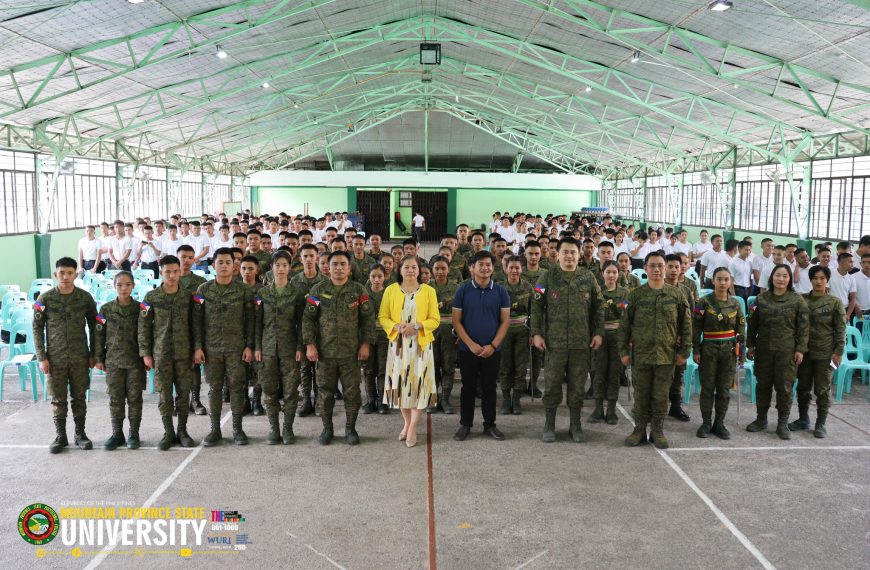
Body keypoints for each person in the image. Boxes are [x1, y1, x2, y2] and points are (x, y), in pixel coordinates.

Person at [531, 237, 604, 443]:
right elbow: (536, 306)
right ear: (558, 254)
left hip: (582, 343)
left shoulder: (588, 277)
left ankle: (575, 424)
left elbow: (598, 306)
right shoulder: (547, 277)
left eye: (573, 252)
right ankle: (549, 424)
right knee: (552, 385)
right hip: (554, 342)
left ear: (579, 254)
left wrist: (598, 332)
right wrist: (536, 333)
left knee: (577, 386)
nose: (570, 256)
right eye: (565, 252)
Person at [302, 250, 376, 445]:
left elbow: (368, 320)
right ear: (327, 267)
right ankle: (327, 429)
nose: (339, 268)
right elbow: (308, 319)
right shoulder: (318, 290)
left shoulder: (359, 290)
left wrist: (366, 344)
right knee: (325, 393)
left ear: (349, 268)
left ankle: (350, 429)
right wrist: (310, 345)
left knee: (352, 392)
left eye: (343, 264)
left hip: (351, 352)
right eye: (334, 264)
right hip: (324, 353)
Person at [619, 251, 691, 449]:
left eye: (661, 265)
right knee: (641, 394)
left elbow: (686, 326)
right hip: (641, 355)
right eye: (652, 266)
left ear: (665, 267)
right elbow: (624, 325)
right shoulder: (635, 296)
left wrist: (684, 352)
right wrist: (623, 351)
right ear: (646, 268)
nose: (657, 270)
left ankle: (657, 431)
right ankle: (639, 429)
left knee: (661, 396)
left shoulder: (677, 295)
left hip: (666, 356)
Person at [34, 257, 97, 453]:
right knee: (58, 399)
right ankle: (61, 436)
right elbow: (36, 328)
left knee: (79, 397)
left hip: (80, 357)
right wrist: (42, 357)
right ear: (56, 274)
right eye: (62, 273)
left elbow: (95, 327)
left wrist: (94, 353)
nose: (66, 277)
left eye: (70, 273)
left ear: (76, 274)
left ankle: (80, 434)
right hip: (55, 358)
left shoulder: (85, 298)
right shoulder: (44, 299)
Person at [193, 248, 256, 446]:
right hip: (211, 348)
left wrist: (249, 346)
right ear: (213, 265)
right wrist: (198, 347)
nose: (224, 266)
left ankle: (238, 429)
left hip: (236, 348)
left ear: (234, 265)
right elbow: (197, 321)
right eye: (220, 262)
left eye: (227, 262)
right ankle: (215, 430)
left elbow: (251, 321)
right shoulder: (203, 290)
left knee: (237, 387)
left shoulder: (244, 290)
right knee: (214, 388)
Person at [379, 256, 440, 447]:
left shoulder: (429, 291)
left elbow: (435, 319)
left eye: (414, 267)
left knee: (419, 386)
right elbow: (383, 316)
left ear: (419, 270)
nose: (411, 270)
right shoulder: (390, 290)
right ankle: (406, 423)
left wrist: (418, 326)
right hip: (398, 346)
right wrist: (397, 327)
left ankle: (413, 427)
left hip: (421, 346)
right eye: (407, 267)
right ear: (400, 269)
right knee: (400, 386)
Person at [139, 255, 198, 450]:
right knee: (164, 394)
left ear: (180, 271)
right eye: (167, 272)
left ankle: (182, 431)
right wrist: (146, 353)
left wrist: (197, 348)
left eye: (175, 271)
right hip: (161, 353)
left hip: (184, 353)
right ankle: (168, 432)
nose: (171, 276)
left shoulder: (189, 297)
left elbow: (195, 326)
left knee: (183, 393)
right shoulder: (151, 298)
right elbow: (144, 327)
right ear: (161, 272)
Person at [451, 251, 510, 441]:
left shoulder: (501, 291)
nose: (485, 268)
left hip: (493, 350)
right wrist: (471, 345)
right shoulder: (463, 290)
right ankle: (465, 425)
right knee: (467, 388)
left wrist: (492, 346)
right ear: (472, 267)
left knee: (489, 387)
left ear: (493, 268)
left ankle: (490, 425)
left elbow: (505, 322)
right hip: (468, 350)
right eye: (480, 264)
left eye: (488, 265)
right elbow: (457, 321)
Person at [746, 264, 809, 439]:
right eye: (778, 275)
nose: (781, 279)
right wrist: (750, 345)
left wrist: (801, 350)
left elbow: (804, 328)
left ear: (789, 280)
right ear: (771, 278)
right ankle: (761, 419)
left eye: (785, 276)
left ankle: (782, 424)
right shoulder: (760, 299)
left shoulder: (797, 300)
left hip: (787, 351)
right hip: (764, 350)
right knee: (763, 385)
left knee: (785, 387)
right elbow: (752, 325)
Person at [254, 250, 305, 445]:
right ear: (272, 268)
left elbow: (302, 324)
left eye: (285, 265)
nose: (281, 269)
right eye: (278, 265)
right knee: (269, 389)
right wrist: (257, 347)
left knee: (291, 390)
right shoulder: (262, 293)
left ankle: (288, 428)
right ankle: (274, 428)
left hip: (290, 348)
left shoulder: (297, 293)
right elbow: (257, 323)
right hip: (267, 348)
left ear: (289, 268)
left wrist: (300, 346)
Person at [790, 266, 845, 438]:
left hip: (826, 353)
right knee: (803, 387)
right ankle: (803, 419)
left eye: (822, 278)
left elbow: (840, 329)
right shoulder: (802, 299)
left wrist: (838, 352)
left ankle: (820, 424)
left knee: (822, 389)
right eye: (815, 278)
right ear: (811, 279)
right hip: (804, 352)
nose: (818, 281)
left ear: (827, 280)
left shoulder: (835, 302)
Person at [94, 271, 146, 450]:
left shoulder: (141, 309)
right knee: (115, 399)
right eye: (120, 285)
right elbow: (99, 335)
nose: (123, 288)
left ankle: (134, 433)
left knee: (134, 398)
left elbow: (146, 334)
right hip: (114, 361)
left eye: (127, 284)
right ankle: (117, 433)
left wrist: (147, 356)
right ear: (114, 286)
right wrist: (99, 358)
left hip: (135, 362)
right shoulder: (105, 309)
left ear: (133, 286)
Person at [692, 267, 745, 439]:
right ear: (713, 280)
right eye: (719, 279)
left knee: (723, 390)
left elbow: (741, 329)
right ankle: (706, 423)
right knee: (707, 388)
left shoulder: (735, 303)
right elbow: (696, 327)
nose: (723, 283)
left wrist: (741, 353)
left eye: (726, 279)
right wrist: (696, 349)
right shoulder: (703, 302)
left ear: (730, 282)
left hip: (729, 351)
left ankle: (719, 423)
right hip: (709, 348)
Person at [589, 261, 628, 425]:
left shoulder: (625, 293)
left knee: (614, 374)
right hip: (600, 336)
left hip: (617, 338)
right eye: (608, 272)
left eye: (614, 272)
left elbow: (627, 318)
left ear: (619, 274)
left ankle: (611, 409)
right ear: (602, 273)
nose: (611, 275)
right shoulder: (596, 292)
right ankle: (598, 409)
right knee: (598, 373)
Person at [290, 243, 325, 416]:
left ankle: (319, 402)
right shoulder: (294, 281)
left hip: (322, 332)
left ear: (317, 257)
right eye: (306, 256)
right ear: (300, 258)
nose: (309, 259)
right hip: (300, 331)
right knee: (304, 368)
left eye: (312, 256)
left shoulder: (325, 281)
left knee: (320, 368)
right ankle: (306, 401)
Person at [498, 256, 533, 415]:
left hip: (522, 331)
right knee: (505, 366)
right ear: (505, 269)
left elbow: (535, 313)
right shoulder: (498, 288)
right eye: (511, 267)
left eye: (517, 268)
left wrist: (534, 332)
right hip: (503, 332)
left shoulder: (528, 288)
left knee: (520, 366)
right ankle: (506, 399)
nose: (514, 271)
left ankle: (517, 399)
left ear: (521, 269)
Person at [430, 257, 459, 414]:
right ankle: (433, 399)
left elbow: (463, 312)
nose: (440, 272)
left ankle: (446, 399)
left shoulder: (457, 288)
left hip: (450, 333)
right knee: (432, 367)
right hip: (430, 333)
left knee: (448, 367)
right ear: (432, 270)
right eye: (437, 269)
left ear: (448, 270)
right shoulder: (425, 288)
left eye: (443, 268)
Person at [363, 264, 390, 415]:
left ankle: (382, 401)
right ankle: (370, 400)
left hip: (385, 336)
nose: (377, 279)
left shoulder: (389, 293)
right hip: (367, 336)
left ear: (384, 276)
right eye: (373, 276)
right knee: (368, 369)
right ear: (369, 277)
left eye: (379, 276)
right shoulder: (364, 294)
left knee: (383, 369)